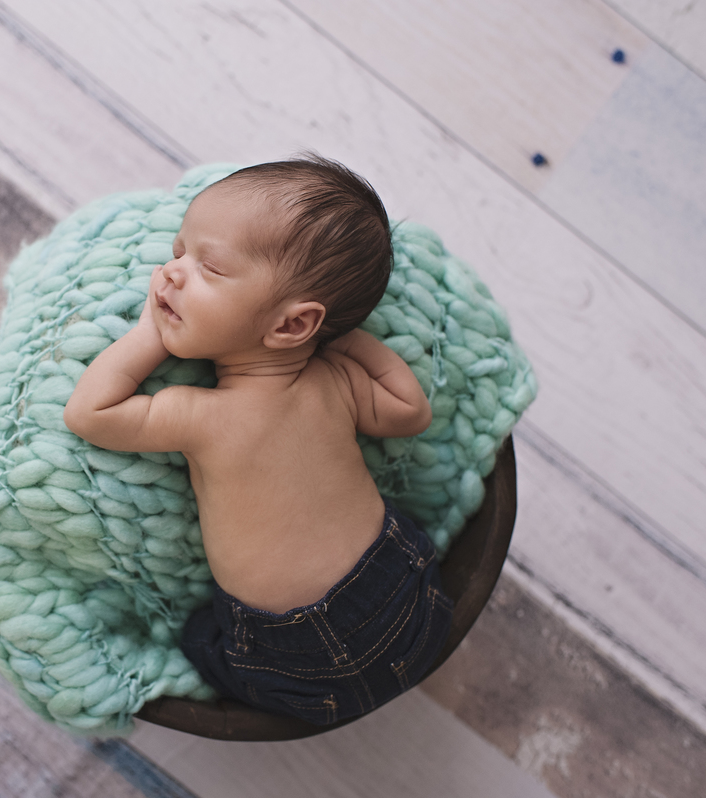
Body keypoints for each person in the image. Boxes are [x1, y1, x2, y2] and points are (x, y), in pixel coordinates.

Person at [63, 156, 452, 725]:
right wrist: (347, 344)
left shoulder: (205, 416)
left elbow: (89, 413)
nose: (169, 274)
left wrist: (150, 335)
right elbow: (411, 410)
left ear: (293, 324)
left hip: (297, 657)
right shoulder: (337, 383)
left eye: (209, 269)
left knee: (198, 637)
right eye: (178, 254)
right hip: (411, 595)